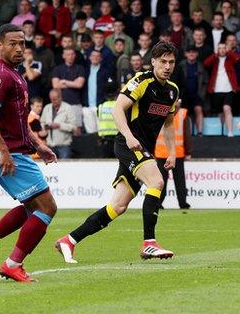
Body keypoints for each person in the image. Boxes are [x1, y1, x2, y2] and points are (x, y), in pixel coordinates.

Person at [55, 41, 180, 263]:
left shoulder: (172, 90)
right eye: (163, 61)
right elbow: (117, 109)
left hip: (142, 148)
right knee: (157, 182)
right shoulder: (141, 81)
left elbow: (169, 123)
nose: (167, 66)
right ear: (153, 62)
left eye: (171, 62)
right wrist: (130, 137)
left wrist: (172, 152)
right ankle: (149, 243)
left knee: (118, 206)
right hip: (127, 144)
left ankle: (70, 240)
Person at [0, 24, 58, 282]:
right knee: (47, 207)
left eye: (22, 43)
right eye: (13, 43)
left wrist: (38, 145)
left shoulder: (15, 74)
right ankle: (12, 263)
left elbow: (19, 120)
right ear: (0, 45)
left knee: (32, 207)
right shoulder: (0, 75)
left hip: (17, 150)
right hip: (9, 154)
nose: (19, 48)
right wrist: (4, 151)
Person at [155, 106, 192, 209]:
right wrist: (188, 151)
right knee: (180, 180)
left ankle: (158, 202)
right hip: (177, 153)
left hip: (161, 152)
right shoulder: (183, 113)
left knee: (161, 180)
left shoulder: (159, 111)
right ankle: (182, 202)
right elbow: (187, 134)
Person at [204, 43, 240, 136]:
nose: (222, 50)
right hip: (216, 89)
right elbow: (206, 63)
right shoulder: (215, 59)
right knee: (220, 112)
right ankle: (222, 129)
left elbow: (238, 58)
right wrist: (215, 54)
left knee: (227, 108)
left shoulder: (230, 59)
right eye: (220, 48)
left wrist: (229, 51)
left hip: (228, 89)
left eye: (224, 48)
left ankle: (230, 131)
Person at [40, 89, 77, 159]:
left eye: (55, 99)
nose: (53, 101)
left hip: (64, 145)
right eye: (51, 99)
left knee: (65, 168)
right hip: (49, 145)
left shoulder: (68, 108)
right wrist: (45, 126)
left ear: (60, 97)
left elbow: (74, 127)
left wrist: (59, 125)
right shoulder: (47, 108)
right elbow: (42, 122)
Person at [97, 91, 118, 158]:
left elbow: (98, 119)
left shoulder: (101, 106)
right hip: (117, 138)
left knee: (105, 161)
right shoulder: (119, 105)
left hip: (105, 138)